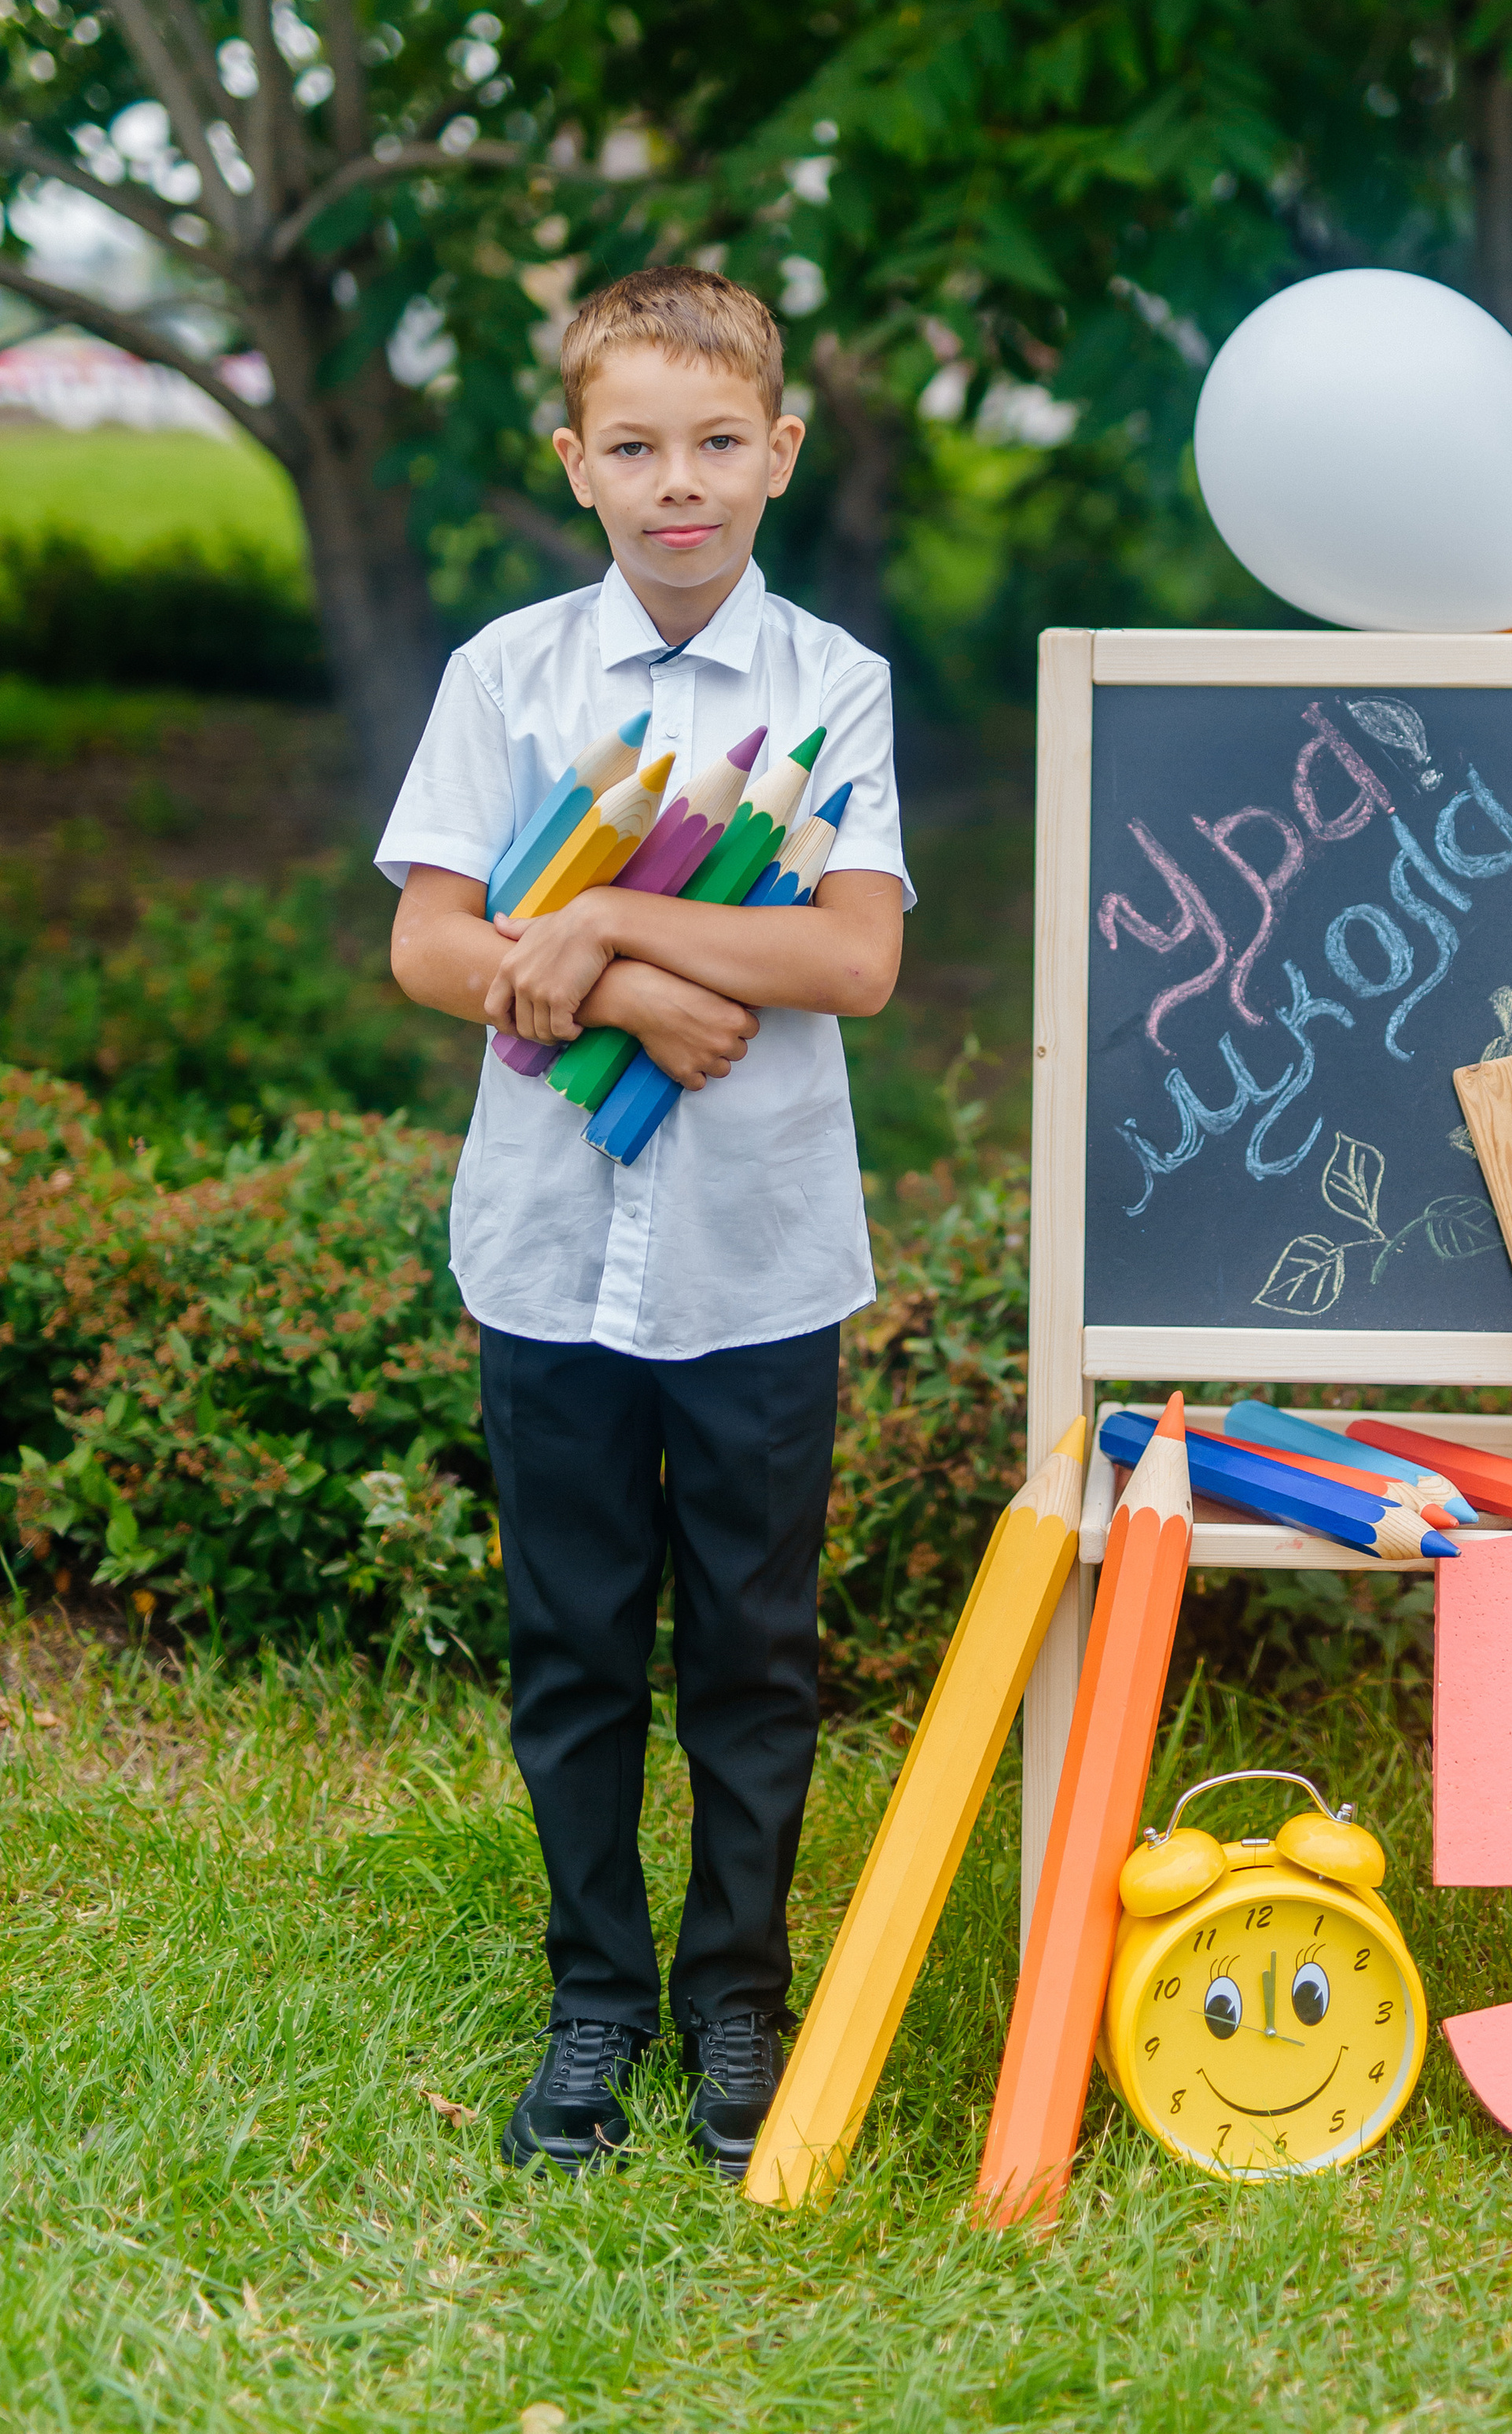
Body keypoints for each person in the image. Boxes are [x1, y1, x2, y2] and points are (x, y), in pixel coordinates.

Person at [380, 267, 909, 2180]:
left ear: (775, 451)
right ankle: (596, 1988)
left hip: (760, 1256)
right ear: (575, 464)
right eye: (632, 448)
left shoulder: (827, 685)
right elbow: (435, 939)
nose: (675, 484)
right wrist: (604, 992)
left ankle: (737, 1995)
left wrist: (601, 921)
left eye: (713, 443)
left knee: (755, 1652)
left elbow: (850, 955)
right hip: (545, 1245)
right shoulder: (509, 677)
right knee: (579, 1637)